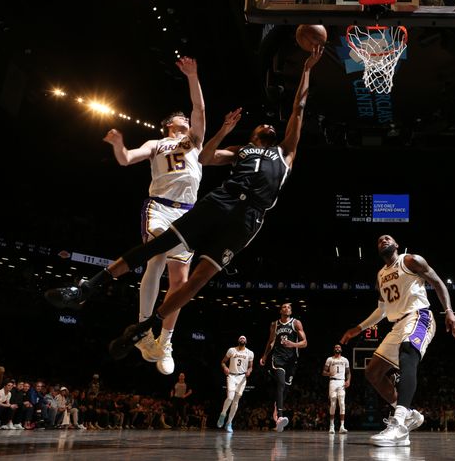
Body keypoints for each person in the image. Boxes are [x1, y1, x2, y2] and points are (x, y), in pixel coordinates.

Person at [44, 46, 324, 359]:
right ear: (255, 134)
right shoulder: (239, 149)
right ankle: (87, 287)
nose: (268, 125)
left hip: (249, 218)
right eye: (262, 125)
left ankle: (146, 329)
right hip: (221, 199)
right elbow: (205, 156)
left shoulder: (286, 153)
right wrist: (223, 133)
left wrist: (307, 70)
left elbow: (298, 108)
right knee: (157, 248)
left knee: (196, 279)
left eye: (271, 126)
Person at [99, 56, 206, 375]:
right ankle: (143, 328)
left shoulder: (195, 143)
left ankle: (165, 341)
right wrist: (118, 144)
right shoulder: (157, 143)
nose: (187, 118)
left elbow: (199, 110)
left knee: (180, 282)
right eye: (181, 118)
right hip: (159, 207)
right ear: (170, 125)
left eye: (188, 118)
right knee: (156, 257)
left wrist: (193, 76)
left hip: (187, 215)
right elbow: (126, 159)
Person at [340, 234, 455, 447]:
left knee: (408, 354)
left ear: (396, 245)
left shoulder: (410, 260)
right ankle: (409, 414)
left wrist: (449, 311)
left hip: (419, 315)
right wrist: (358, 329)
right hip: (398, 324)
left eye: (388, 238)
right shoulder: (380, 275)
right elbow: (382, 310)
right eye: (379, 240)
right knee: (373, 372)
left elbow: (437, 282)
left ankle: (399, 425)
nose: (383, 240)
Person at [259, 302, 307, 432]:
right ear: (281, 310)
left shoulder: (296, 323)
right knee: (280, 384)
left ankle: (276, 408)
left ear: (291, 311)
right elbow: (271, 341)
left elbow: (304, 343)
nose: (287, 308)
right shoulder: (275, 324)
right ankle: (280, 417)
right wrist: (264, 356)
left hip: (291, 360)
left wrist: (293, 344)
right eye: (284, 306)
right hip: (278, 358)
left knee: (285, 387)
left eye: (289, 307)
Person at [217, 335, 254, 433]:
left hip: (242, 377)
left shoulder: (250, 353)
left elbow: (251, 367)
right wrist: (225, 367)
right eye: (241, 338)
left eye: (244, 338)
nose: (242, 339)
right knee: (230, 397)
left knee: (236, 400)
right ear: (238, 340)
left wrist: (249, 371)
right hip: (232, 376)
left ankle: (229, 423)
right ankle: (223, 414)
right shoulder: (231, 350)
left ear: (246, 341)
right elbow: (223, 362)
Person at [322, 343, 351, 433]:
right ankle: (332, 426)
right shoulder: (329, 359)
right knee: (333, 403)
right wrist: (328, 373)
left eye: (339, 347)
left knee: (342, 403)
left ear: (341, 349)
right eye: (336, 347)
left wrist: (348, 381)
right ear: (334, 349)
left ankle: (342, 426)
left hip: (341, 382)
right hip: (333, 382)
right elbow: (323, 372)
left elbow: (348, 372)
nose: (337, 348)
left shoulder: (345, 360)